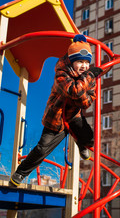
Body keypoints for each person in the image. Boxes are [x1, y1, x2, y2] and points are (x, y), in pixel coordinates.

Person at [9, 34, 103, 187]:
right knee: (42, 149)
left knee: (89, 138)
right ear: (72, 62)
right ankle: (20, 173)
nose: (84, 66)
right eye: (80, 62)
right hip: (56, 118)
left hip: (74, 116)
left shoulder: (87, 78)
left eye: (87, 62)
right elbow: (74, 91)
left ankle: (81, 144)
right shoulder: (61, 74)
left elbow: (87, 101)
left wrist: (82, 87)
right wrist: (87, 78)